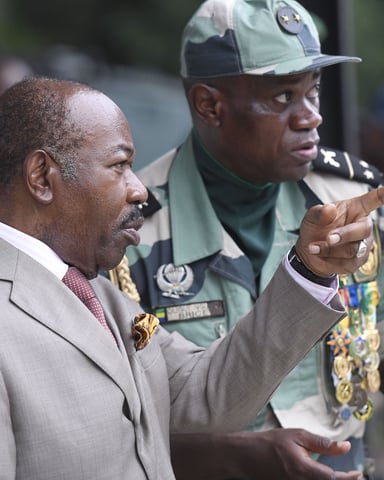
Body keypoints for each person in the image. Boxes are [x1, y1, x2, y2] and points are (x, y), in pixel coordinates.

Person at [0, 76, 378, 480]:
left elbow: (209, 392)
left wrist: (310, 270)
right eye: (119, 166)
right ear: (41, 177)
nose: (139, 189)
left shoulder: (96, 294)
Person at [123, 0, 384, 477]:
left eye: (314, 91)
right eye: (283, 96)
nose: (310, 118)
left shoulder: (354, 201)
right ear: (210, 105)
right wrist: (232, 456)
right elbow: (120, 420)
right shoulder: (132, 230)